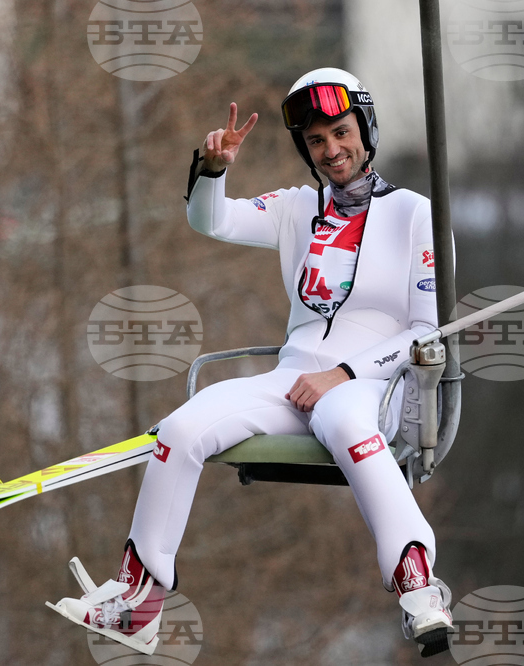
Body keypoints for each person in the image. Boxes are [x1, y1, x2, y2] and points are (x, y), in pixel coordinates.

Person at [47, 67, 454, 658]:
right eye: (316, 141)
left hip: (373, 387)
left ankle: (417, 584)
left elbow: (426, 329)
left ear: (365, 128)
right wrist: (212, 171)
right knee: (182, 426)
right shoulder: (296, 208)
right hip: (292, 379)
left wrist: (343, 374)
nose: (332, 150)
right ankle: (139, 602)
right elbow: (210, 220)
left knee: (342, 418)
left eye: (341, 133)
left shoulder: (415, 214)